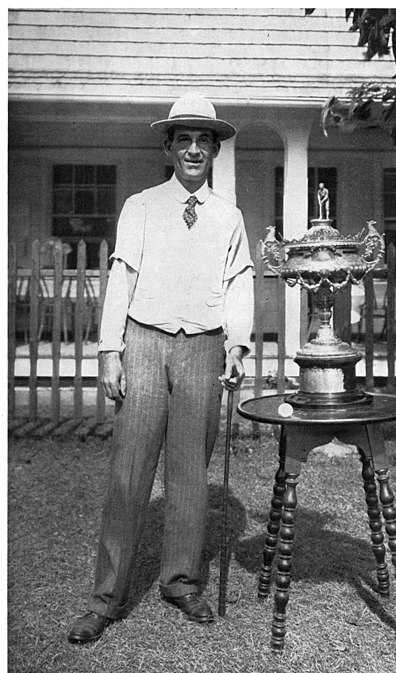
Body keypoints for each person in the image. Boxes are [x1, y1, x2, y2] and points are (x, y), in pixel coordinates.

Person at [68, 94, 254, 644]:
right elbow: (121, 277)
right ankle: (106, 598)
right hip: (145, 343)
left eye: (204, 140)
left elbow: (239, 282)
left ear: (215, 150)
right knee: (130, 470)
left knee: (189, 473)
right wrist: (109, 349)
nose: (194, 149)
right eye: (183, 139)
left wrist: (238, 346)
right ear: (168, 147)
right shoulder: (141, 205)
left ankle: (180, 580)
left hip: (203, 348)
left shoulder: (229, 216)